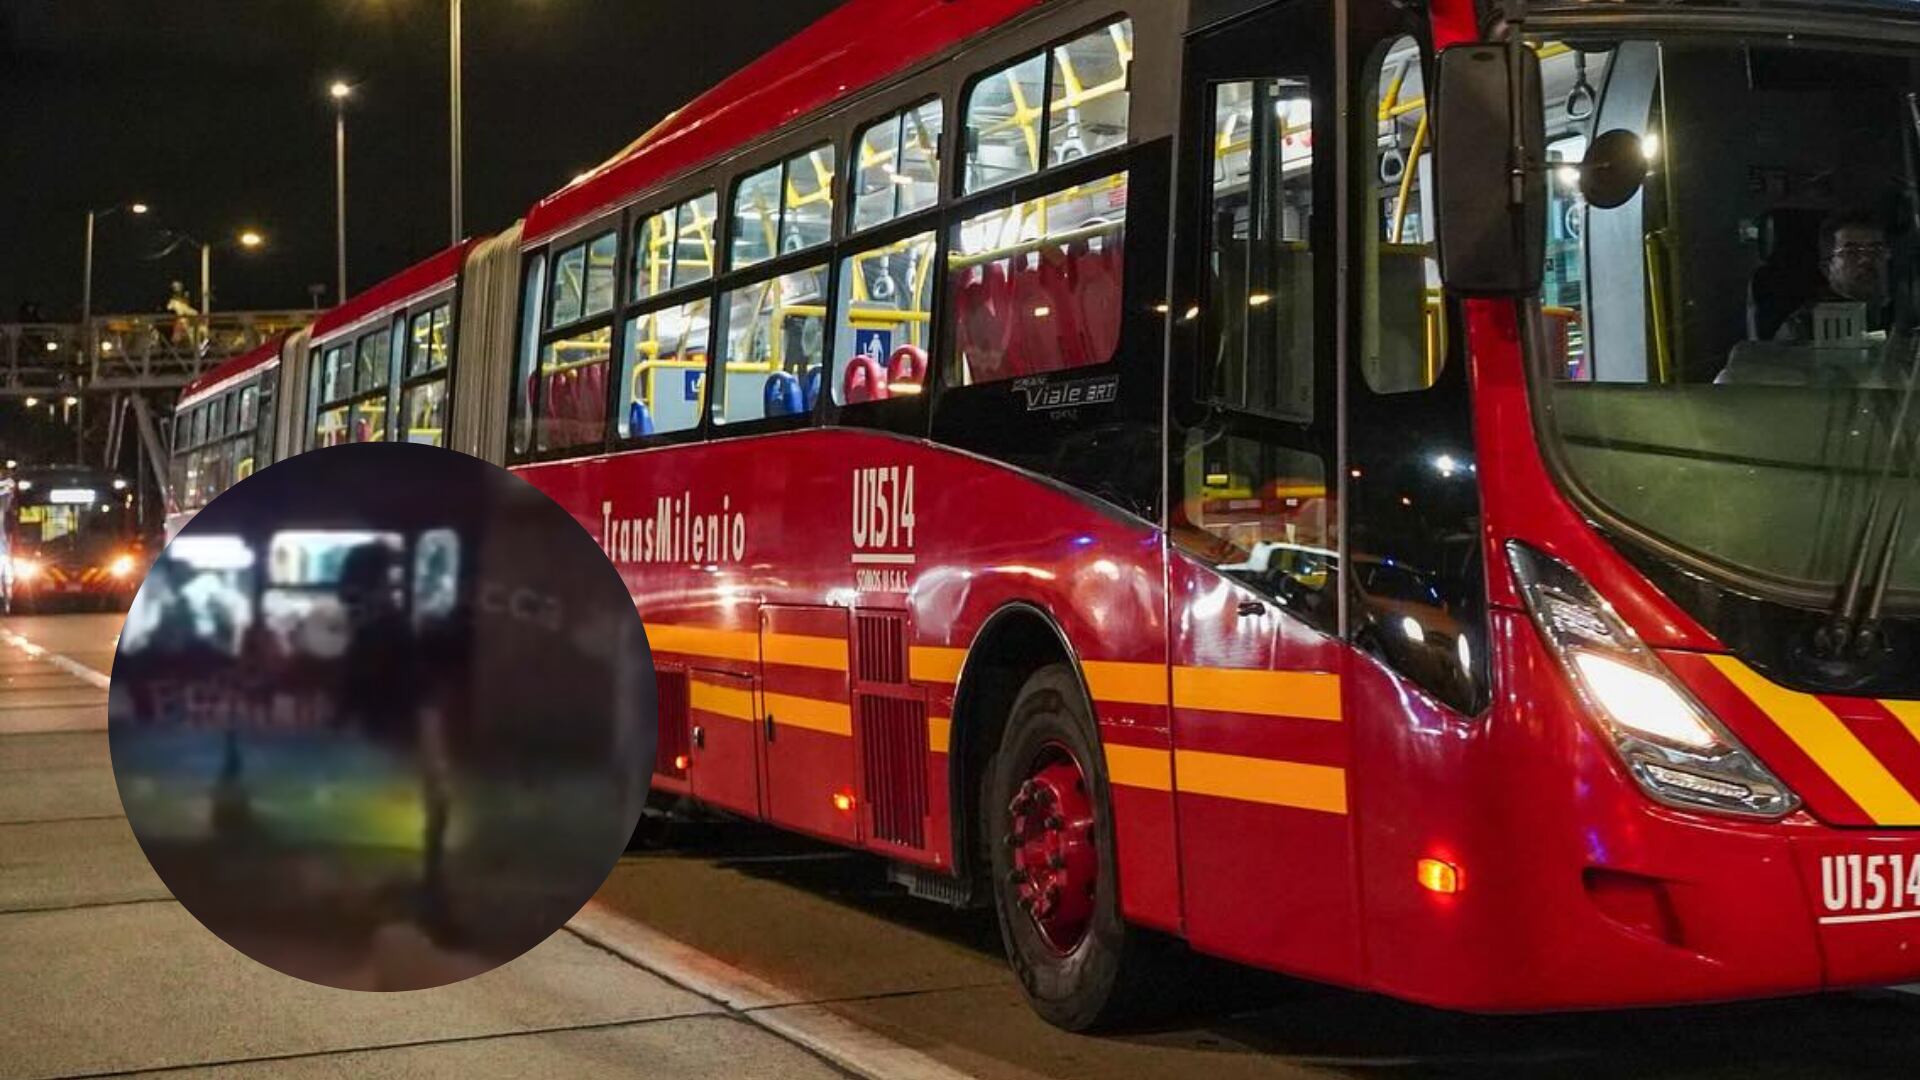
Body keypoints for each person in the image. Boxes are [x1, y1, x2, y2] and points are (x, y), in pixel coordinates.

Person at [1774, 207, 1895, 344]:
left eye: (1876, 250)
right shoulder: (1803, 326)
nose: (1866, 259)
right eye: (1851, 252)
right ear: (1827, 267)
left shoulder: (1900, 315)